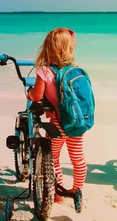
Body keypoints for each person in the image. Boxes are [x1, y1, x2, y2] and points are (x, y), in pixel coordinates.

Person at [26, 27, 87, 202]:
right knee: (78, 158)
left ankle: (58, 193)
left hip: (58, 124)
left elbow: (37, 97)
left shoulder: (44, 72)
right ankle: (77, 190)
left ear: (47, 48)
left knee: (53, 158)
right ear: (70, 48)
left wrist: (29, 93)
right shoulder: (76, 71)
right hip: (77, 123)